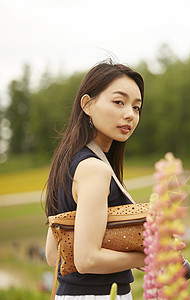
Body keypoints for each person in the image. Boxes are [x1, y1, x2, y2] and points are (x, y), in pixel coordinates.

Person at [45, 61, 145, 299]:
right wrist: (148, 257)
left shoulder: (70, 162)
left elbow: (53, 255)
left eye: (137, 107)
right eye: (119, 102)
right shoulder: (94, 170)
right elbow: (87, 259)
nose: (129, 114)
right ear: (87, 105)